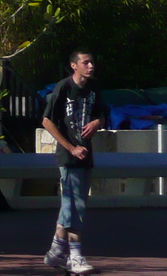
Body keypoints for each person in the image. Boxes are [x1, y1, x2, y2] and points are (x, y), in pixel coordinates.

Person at [39, 49, 107, 273]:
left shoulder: (94, 88)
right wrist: (71, 147)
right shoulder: (63, 88)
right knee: (75, 207)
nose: (91, 66)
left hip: (86, 155)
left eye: (92, 62)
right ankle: (75, 257)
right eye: (86, 63)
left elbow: (101, 115)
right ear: (73, 65)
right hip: (69, 158)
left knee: (72, 206)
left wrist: (97, 123)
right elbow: (47, 121)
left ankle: (56, 252)